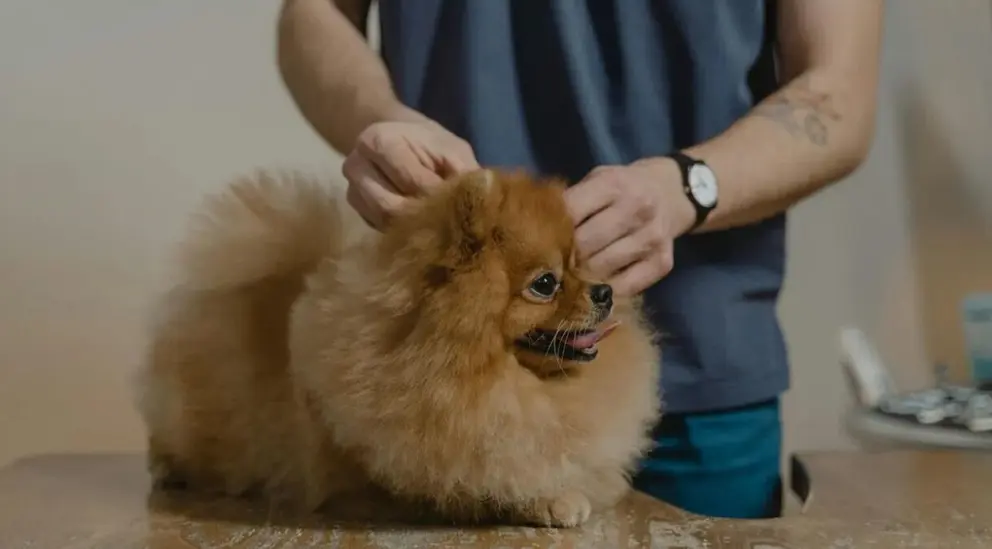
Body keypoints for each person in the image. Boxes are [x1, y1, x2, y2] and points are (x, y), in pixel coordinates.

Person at [276, 0, 883, 519]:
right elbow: (315, 13)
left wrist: (689, 186)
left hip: (697, 384)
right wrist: (381, 121)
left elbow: (840, 91)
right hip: (435, 408)